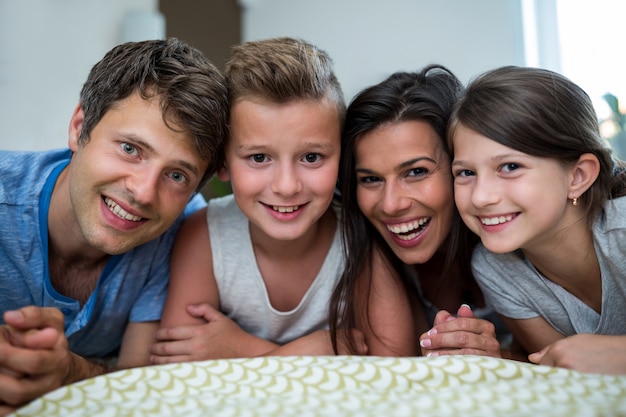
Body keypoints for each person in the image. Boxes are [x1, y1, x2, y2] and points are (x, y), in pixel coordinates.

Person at [149, 37, 417, 364]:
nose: (287, 186)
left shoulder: (359, 235)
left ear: (343, 157)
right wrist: (314, 352)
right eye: (259, 157)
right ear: (222, 162)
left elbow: (397, 364)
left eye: (312, 157)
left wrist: (243, 351)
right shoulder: (205, 237)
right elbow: (179, 364)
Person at [0, 38, 229, 413]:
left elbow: (142, 382)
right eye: (130, 149)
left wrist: (69, 371)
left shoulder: (187, 233)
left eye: (176, 175)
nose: (143, 192)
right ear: (79, 128)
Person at [448, 65, 626, 374]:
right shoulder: (495, 268)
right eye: (466, 173)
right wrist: (492, 359)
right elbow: (559, 374)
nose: (480, 197)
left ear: (578, 176)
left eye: (510, 166)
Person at [330, 65, 505, 358]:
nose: (390, 204)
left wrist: (501, 358)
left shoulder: (514, 234)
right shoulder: (367, 254)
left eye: (415, 171)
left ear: (460, 167)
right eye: (371, 179)